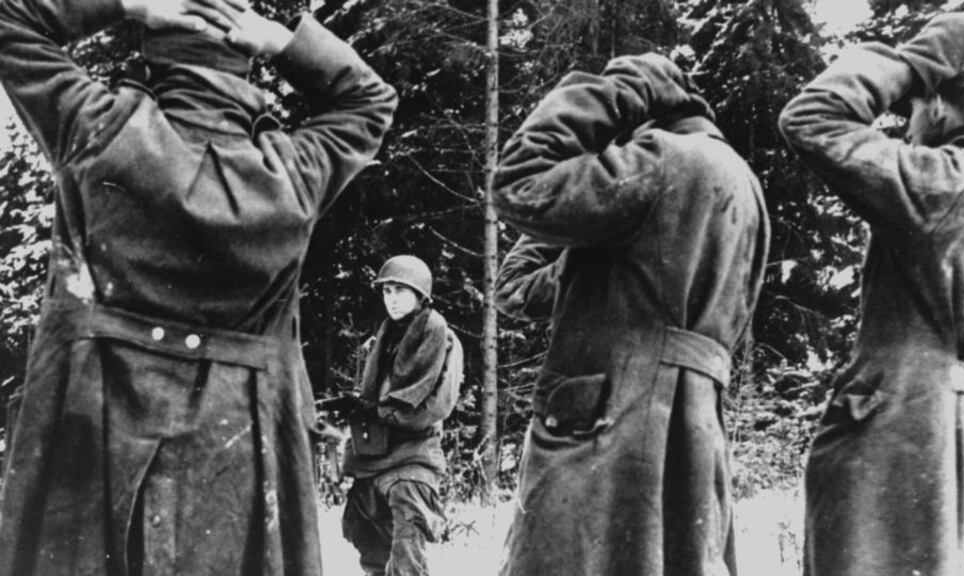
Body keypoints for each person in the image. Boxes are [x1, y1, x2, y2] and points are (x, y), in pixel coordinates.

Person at [0, 0, 396, 574]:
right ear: (246, 73)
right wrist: (284, 43)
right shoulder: (294, 174)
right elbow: (370, 99)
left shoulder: (95, 129)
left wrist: (126, 4)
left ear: (150, 67)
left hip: (94, 437)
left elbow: (11, 18)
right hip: (240, 454)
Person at [493, 54, 769, 576]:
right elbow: (519, 289)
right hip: (691, 433)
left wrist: (618, 91)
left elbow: (515, 183)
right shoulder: (742, 181)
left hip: (609, 426)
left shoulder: (660, 160)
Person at [779, 7, 964, 576]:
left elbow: (810, 117)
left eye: (912, 107)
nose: (908, 125)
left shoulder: (944, 184)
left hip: (907, 437)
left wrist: (914, 62)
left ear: (937, 105)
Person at [326, 255, 461, 576]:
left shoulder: (440, 336)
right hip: (372, 457)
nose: (393, 299)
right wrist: (357, 409)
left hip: (414, 458)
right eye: (387, 291)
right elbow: (371, 398)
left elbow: (434, 407)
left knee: (406, 553)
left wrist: (376, 411)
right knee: (368, 541)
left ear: (420, 294)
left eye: (401, 290)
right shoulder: (384, 337)